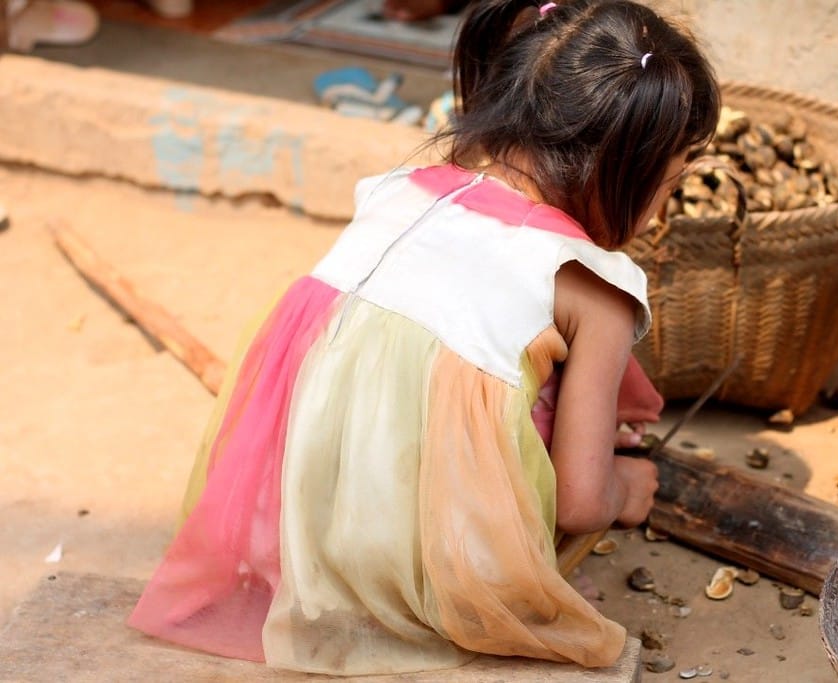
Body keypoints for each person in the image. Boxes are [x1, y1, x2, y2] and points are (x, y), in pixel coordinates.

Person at [127, 0, 719, 675]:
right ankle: (479, 580)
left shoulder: (398, 190)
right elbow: (583, 503)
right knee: (554, 433)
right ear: (630, 169)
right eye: (670, 183)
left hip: (288, 529)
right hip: (424, 564)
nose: (663, 208)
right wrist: (624, 488)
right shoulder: (592, 282)